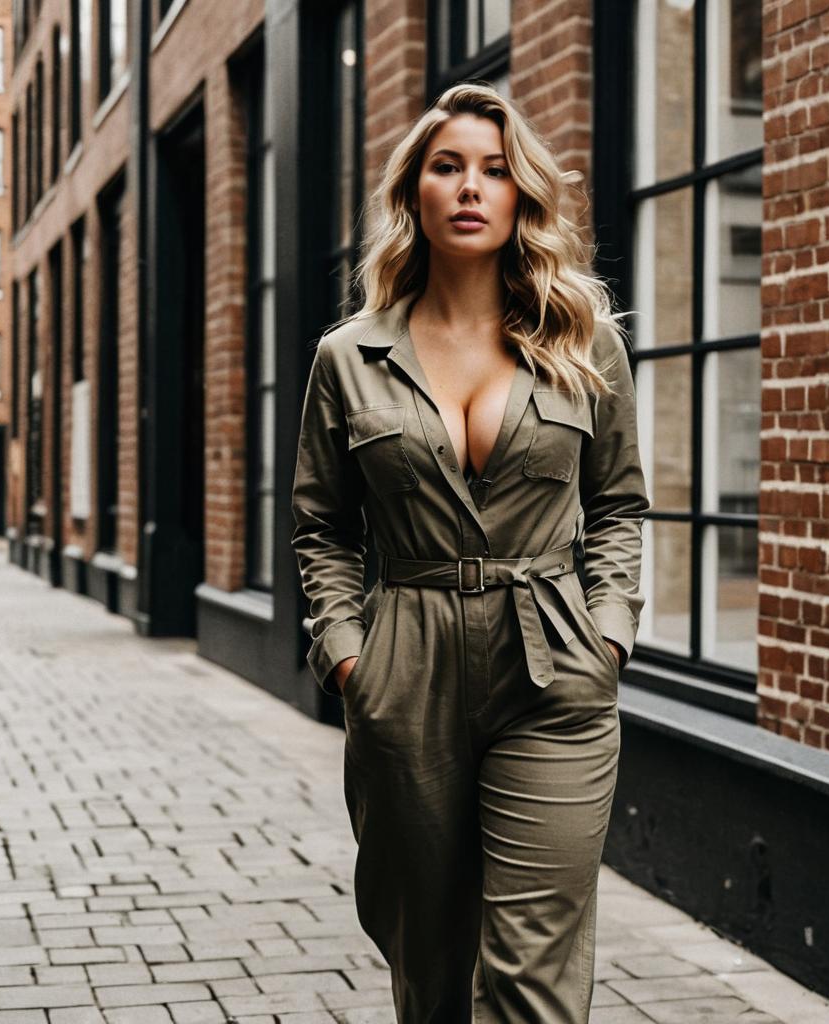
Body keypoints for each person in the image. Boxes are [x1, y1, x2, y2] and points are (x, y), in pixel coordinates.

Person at [291, 82, 651, 1024]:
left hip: (556, 668)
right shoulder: (349, 357)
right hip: (404, 665)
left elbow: (618, 506)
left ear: (522, 195)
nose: (470, 187)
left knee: (532, 977)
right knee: (432, 964)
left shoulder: (585, 344)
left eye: (494, 170)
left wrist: (608, 633)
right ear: (414, 191)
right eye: (447, 167)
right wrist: (348, 656)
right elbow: (322, 527)